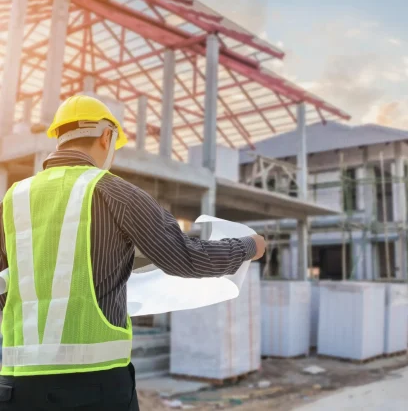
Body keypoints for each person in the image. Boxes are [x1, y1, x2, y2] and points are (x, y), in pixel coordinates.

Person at [0, 95, 267, 410]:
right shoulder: (116, 193)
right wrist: (249, 246)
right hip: (93, 387)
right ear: (106, 136)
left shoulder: (12, 200)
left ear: (58, 138)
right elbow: (186, 257)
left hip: (17, 386)